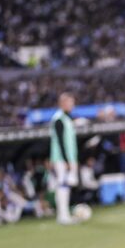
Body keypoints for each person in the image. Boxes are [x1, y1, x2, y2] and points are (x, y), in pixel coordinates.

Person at [49, 93, 79, 225]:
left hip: (68, 158)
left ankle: (64, 214)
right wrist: (67, 160)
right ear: (63, 103)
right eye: (70, 102)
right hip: (61, 159)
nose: (72, 105)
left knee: (65, 186)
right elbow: (60, 141)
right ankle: (63, 215)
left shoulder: (67, 118)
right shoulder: (59, 119)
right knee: (62, 185)